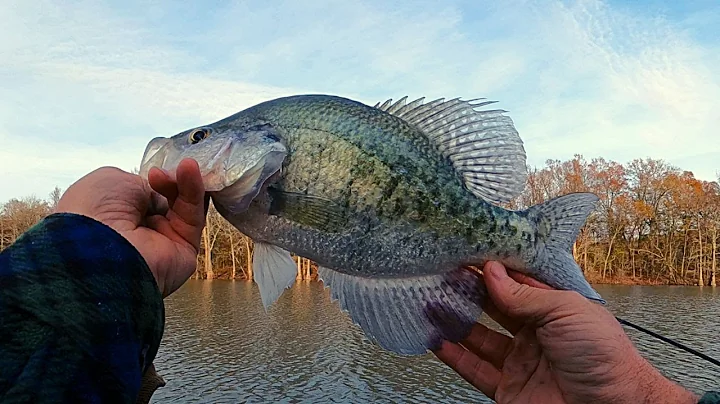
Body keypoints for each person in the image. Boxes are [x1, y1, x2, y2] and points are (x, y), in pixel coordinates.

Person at [0, 159, 717, 404]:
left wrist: (81, 259)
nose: (186, 155)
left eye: (198, 141)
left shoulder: (265, 188)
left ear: (262, 154)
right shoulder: (254, 201)